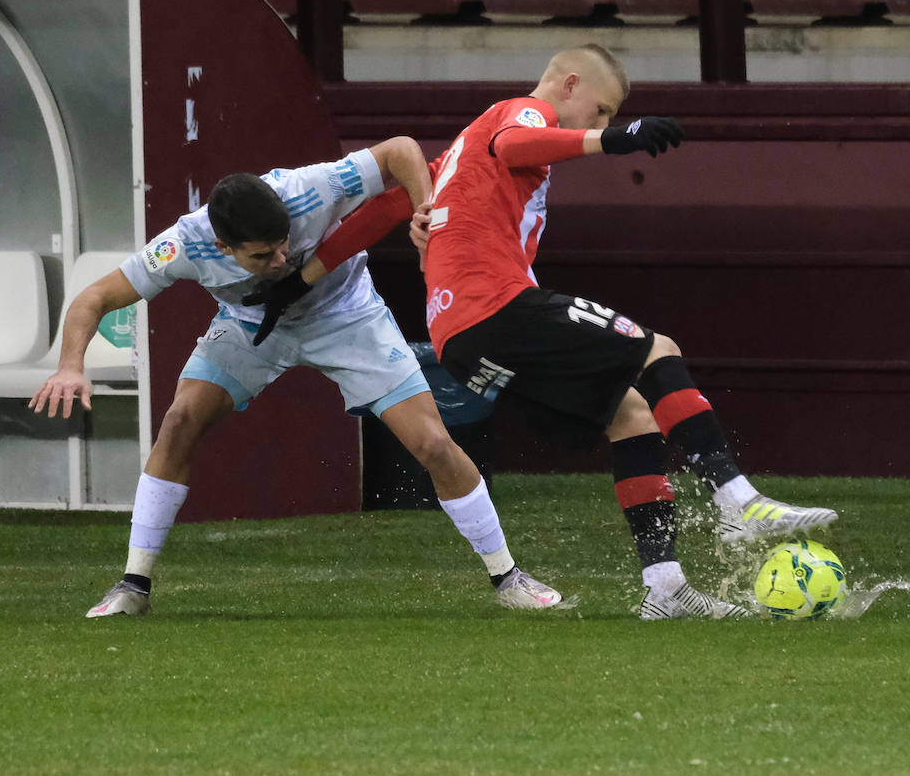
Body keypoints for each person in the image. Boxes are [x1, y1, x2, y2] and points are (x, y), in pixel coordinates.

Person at [251, 45, 839, 618]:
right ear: (571, 85)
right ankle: (737, 499)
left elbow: (382, 210)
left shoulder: (458, 156)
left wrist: (300, 280)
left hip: (464, 337)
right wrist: (611, 139)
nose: (604, 119)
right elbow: (516, 144)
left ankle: (666, 588)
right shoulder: (519, 113)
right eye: (603, 108)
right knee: (658, 349)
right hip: (496, 306)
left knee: (630, 415)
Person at [30, 138, 561, 616]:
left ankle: (508, 577)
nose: (283, 258)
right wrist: (70, 365)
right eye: (264, 255)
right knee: (178, 420)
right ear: (221, 247)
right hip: (251, 328)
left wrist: (427, 210)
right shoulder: (182, 244)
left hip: (347, 317)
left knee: (432, 443)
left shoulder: (310, 187)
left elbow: (403, 151)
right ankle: (132, 587)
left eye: (286, 243)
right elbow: (94, 298)